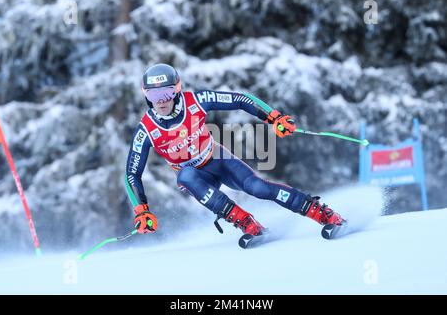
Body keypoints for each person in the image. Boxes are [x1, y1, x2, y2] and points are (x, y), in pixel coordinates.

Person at [125, 63, 345, 237]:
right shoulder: (146, 130)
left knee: (258, 188)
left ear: (177, 90)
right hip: (197, 177)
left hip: (217, 159)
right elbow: (132, 173)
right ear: (146, 96)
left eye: (166, 93)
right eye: (154, 96)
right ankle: (247, 223)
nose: (161, 101)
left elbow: (240, 99)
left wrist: (272, 117)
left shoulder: (197, 101)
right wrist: (141, 209)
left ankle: (322, 213)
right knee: (186, 175)